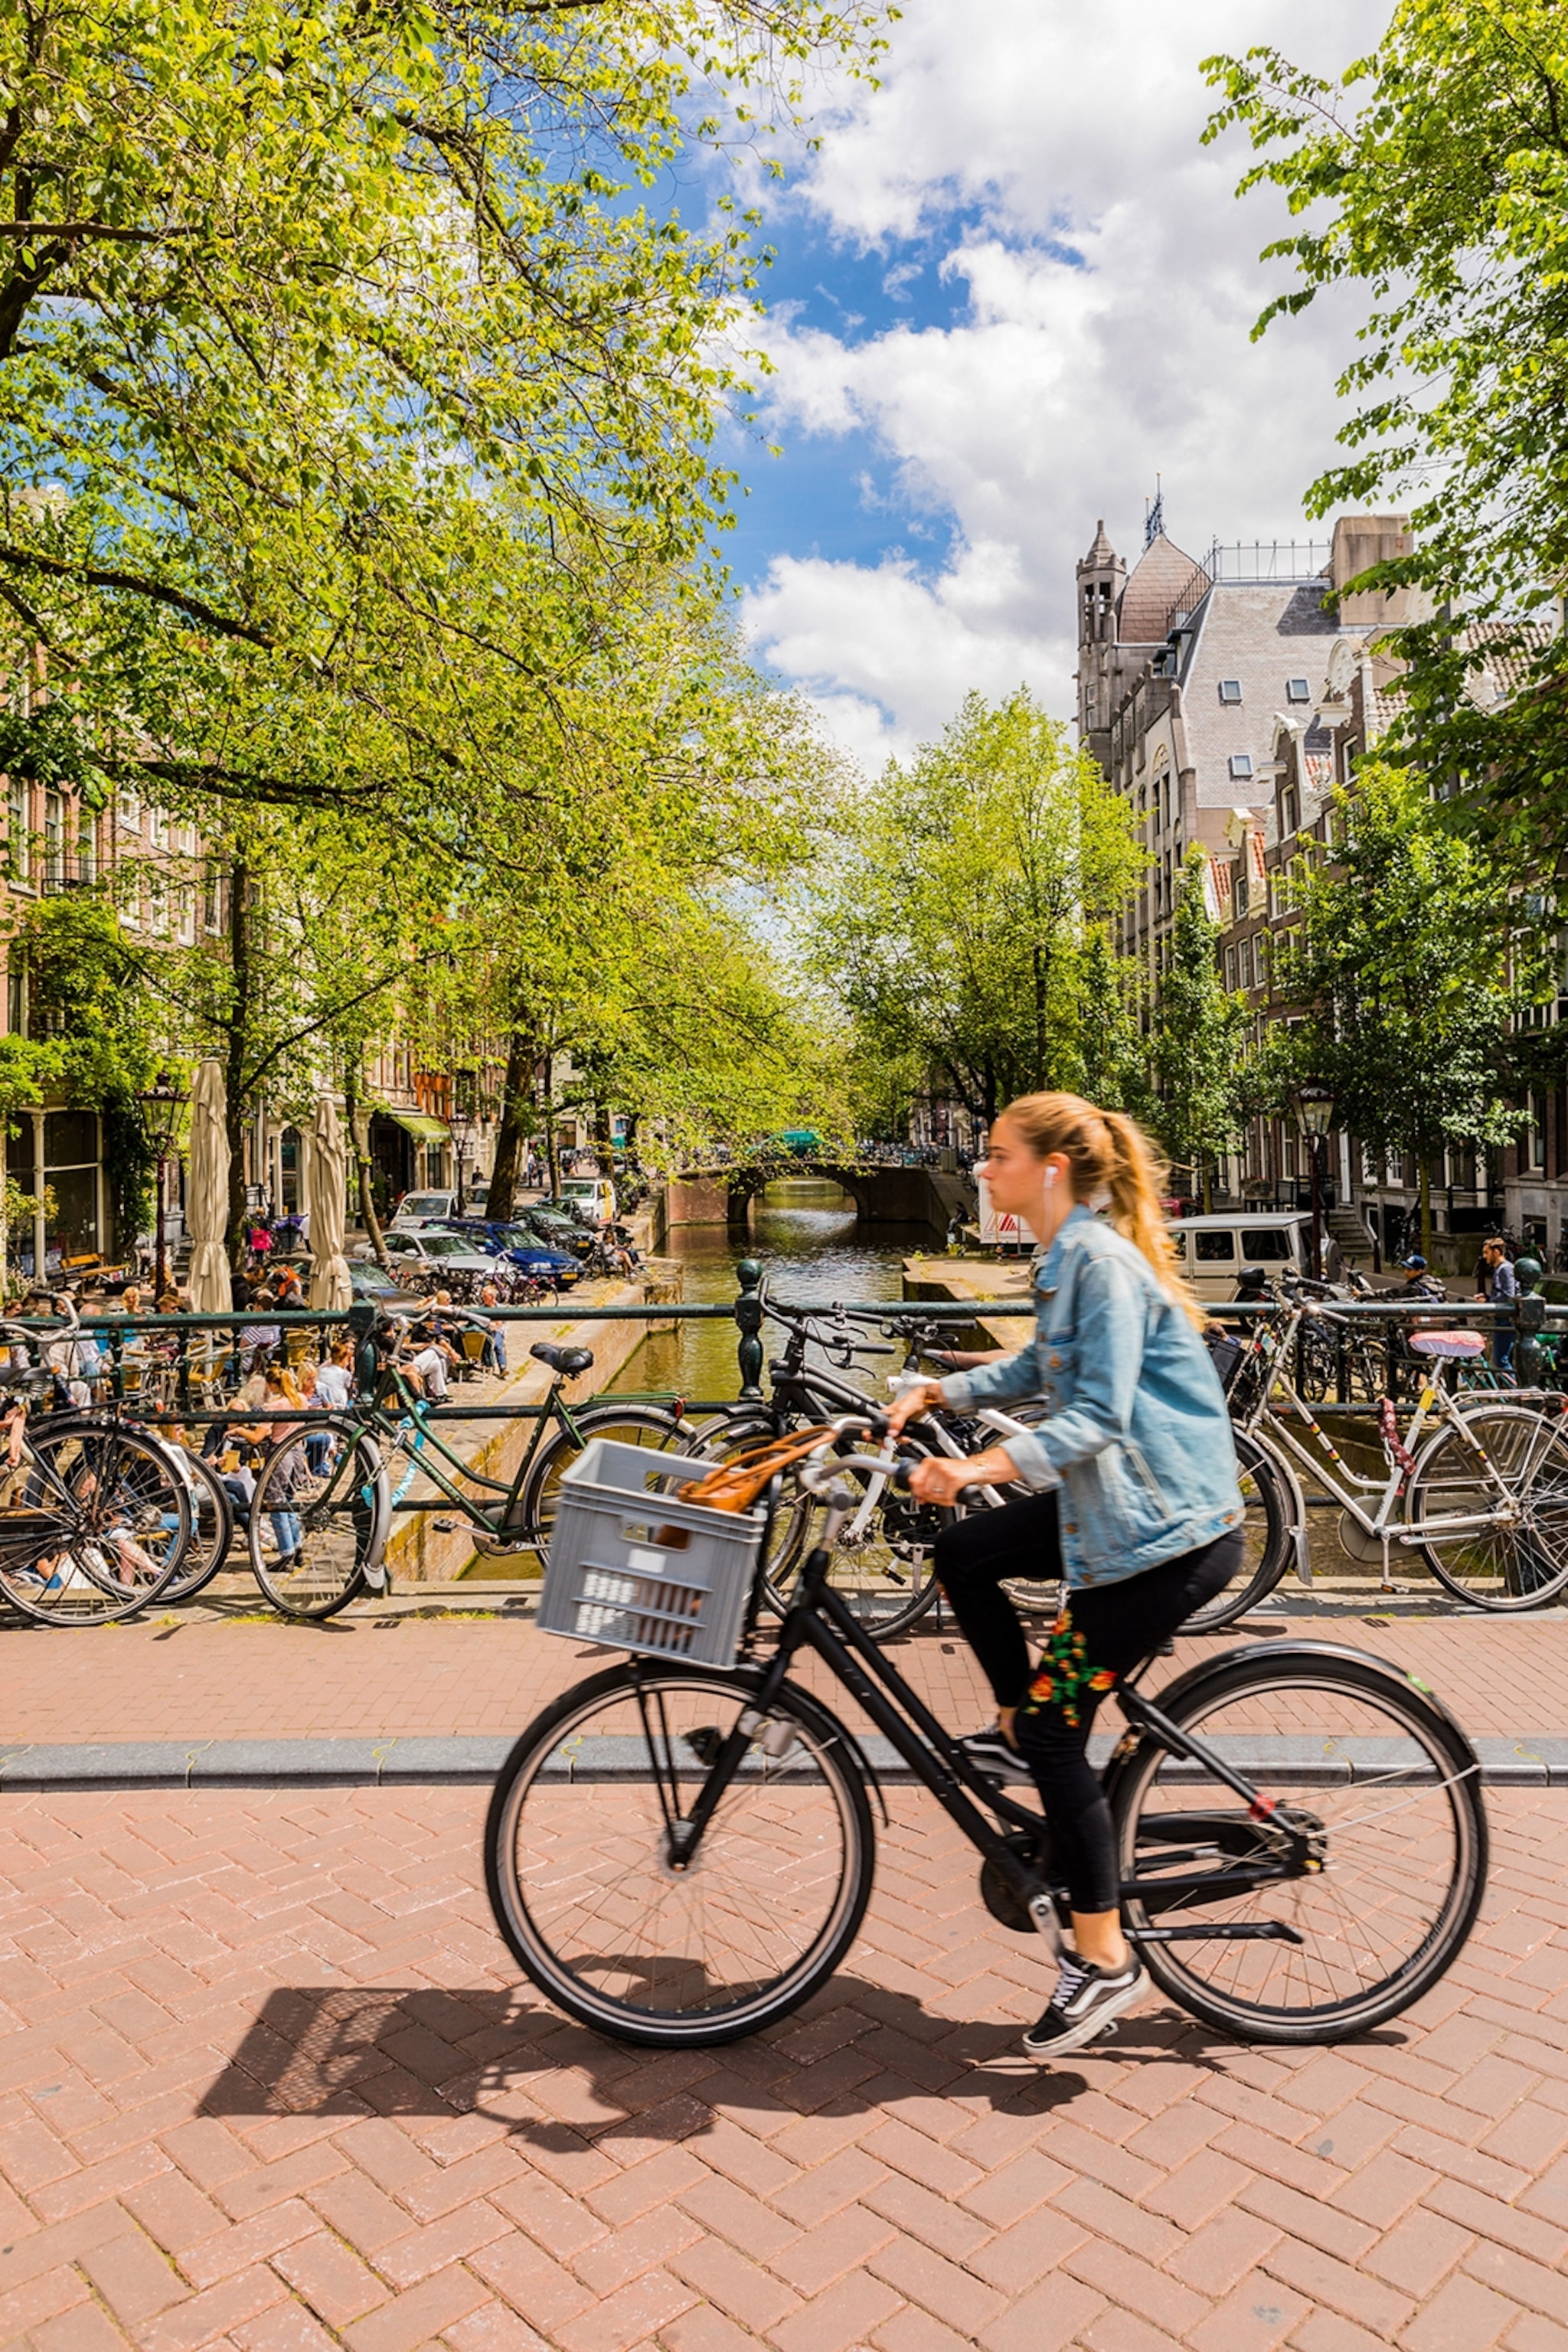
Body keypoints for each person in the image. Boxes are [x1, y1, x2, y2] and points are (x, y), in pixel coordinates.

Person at [887, 1091, 1246, 2062]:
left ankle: (1101, 1957)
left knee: (1057, 1730)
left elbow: (1095, 1418)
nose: (980, 1169)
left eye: (995, 1154)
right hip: (1115, 1511)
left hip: (1164, 1534)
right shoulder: (1065, 1255)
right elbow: (1036, 1370)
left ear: (1049, 1168)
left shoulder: (1097, 1260)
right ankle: (1015, 1725)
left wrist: (970, 1467)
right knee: (963, 1552)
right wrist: (941, 1390)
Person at [1474, 1237, 1518, 1378]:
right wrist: (1487, 1298)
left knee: (1501, 1360)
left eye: (1487, 1252)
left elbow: (1509, 1295)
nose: (1484, 1256)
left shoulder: (1505, 1269)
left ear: (1497, 1252)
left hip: (1505, 1320)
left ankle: (1513, 1394)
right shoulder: (1501, 1269)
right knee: (1504, 1359)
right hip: (1504, 1318)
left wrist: (1488, 1303)